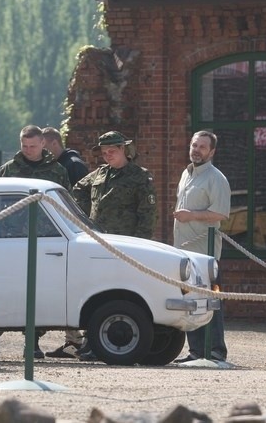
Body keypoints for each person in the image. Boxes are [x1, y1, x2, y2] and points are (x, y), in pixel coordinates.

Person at [0, 124, 70, 359]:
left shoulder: (57, 171)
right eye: (24, 146)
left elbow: (64, 205)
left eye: (33, 146)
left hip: (42, 240)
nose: (28, 150)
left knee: (37, 290)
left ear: (43, 144)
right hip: (9, 239)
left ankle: (32, 344)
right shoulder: (9, 169)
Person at [72, 130, 158, 360]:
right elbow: (78, 189)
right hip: (97, 245)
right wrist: (83, 216)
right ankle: (91, 343)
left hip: (125, 246)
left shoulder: (140, 177)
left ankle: (114, 341)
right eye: (104, 152)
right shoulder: (100, 174)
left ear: (124, 150)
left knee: (120, 294)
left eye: (112, 151)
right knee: (94, 292)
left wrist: (140, 246)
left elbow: (147, 215)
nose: (108, 156)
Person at [172, 130, 230, 363]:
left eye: (202, 147)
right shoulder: (187, 174)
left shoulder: (216, 178)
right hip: (183, 252)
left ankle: (216, 351)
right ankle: (196, 351)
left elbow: (221, 213)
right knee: (188, 302)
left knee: (210, 302)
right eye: (194, 145)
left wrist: (190, 216)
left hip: (205, 254)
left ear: (211, 152)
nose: (196, 150)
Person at [42, 126, 89, 359]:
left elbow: (79, 202)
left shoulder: (72, 165)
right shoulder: (65, 164)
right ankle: (75, 342)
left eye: (42, 146)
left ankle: (79, 342)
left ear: (51, 143)